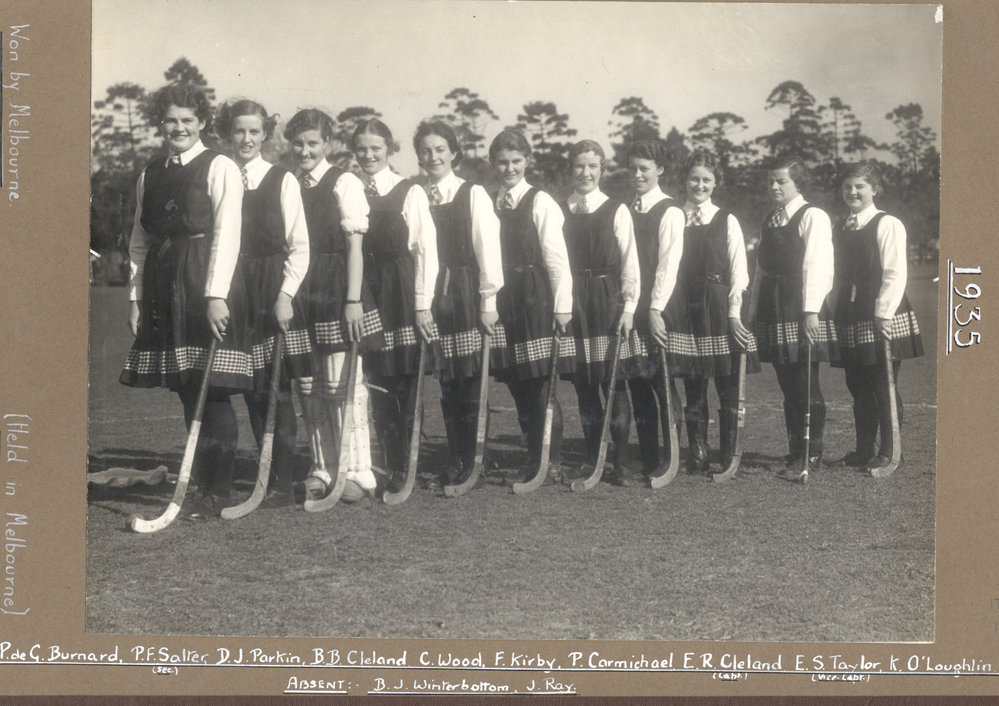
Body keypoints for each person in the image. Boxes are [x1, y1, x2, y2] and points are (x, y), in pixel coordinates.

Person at [119, 83, 250, 520]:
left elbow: (228, 234)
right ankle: (201, 480)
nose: (178, 127)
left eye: (187, 121)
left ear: (203, 124)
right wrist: (136, 298)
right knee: (185, 388)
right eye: (171, 120)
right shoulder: (150, 172)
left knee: (212, 392)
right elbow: (139, 240)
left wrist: (215, 296)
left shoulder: (221, 166)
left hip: (202, 281)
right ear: (161, 123)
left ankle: (218, 489)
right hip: (162, 283)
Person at [215, 99, 310, 508]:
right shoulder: (216, 175)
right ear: (226, 133)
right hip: (232, 288)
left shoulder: (280, 179)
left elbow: (301, 246)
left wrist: (285, 294)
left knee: (273, 389)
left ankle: (281, 483)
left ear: (265, 134)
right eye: (239, 131)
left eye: (254, 131)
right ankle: (263, 473)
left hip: (270, 288)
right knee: (246, 387)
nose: (246, 139)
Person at [287, 108, 383, 503]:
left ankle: (357, 471)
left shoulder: (344, 181)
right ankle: (322, 467)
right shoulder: (289, 183)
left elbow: (355, 247)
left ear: (326, 143)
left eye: (313, 142)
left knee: (341, 383)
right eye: (298, 143)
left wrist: (352, 299)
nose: (305, 149)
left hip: (336, 287)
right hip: (299, 288)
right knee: (308, 386)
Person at [414, 120, 503, 493]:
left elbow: (489, 250)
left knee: (469, 380)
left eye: (439, 150)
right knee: (447, 383)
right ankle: (455, 458)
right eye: (425, 151)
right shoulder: (416, 194)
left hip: (466, 293)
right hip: (435, 295)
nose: (432, 157)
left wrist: (488, 301)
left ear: (453, 153)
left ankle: (474, 462)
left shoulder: (473, 194)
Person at [353, 118, 438, 493]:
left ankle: (408, 465)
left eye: (376, 148)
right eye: (361, 149)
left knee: (405, 383)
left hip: (402, 293)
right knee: (377, 383)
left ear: (389, 149)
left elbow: (426, 252)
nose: (368, 155)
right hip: (368, 294)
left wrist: (422, 305)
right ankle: (386, 463)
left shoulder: (410, 191)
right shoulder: (351, 188)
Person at [488, 129, 573, 483]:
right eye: (503, 162)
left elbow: (556, 259)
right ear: (493, 164)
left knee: (540, 383)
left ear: (527, 161)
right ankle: (531, 455)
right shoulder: (492, 200)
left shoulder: (541, 201)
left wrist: (562, 306)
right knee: (517, 382)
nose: (509, 168)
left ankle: (549, 462)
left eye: (516, 161)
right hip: (505, 297)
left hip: (535, 296)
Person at [829, 161, 923, 473]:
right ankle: (863, 449)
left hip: (882, 312)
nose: (853, 192)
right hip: (850, 312)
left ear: (875, 189)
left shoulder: (888, 223)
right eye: (848, 187)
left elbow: (896, 273)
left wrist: (883, 313)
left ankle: (891, 451)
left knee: (883, 382)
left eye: (860, 186)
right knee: (857, 383)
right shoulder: (841, 227)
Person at [672, 149, 757, 474]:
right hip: (685, 307)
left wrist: (734, 313)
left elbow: (740, 271)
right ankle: (697, 451)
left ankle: (728, 454)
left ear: (716, 183)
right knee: (694, 384)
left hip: (718, 306)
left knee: (726, 384)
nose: (700, 185)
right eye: (694, 178)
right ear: (685, 180)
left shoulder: (727, 219)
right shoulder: (674, 216)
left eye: (706, 179)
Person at [562, 139, 640, 486]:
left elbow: (630, 265)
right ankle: (592, 455)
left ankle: (621, 462)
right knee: (584, 386)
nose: (585, 172)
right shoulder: (560, 209)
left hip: (608, 300)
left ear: (602, 170)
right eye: (579, 166)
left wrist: (628, 308)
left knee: (614, 384)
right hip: (575, 301)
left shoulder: (616, 210)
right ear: (571, 169)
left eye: (592, 166)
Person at [753, 156, 836, 474]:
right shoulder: (770, 219)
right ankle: (795, 449)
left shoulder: (812, 215)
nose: (773, 186)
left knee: (805, 381)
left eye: (781, 181)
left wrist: (811, 310)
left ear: (798, 183)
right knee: (787, 382)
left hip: (799, 306)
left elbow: (818, 264)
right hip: (771, 307)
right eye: (770, 181)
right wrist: (752, 310)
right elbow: (761, 268)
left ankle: (812, 452)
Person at [625, 140, 686, 480]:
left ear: (659, 170)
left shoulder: (670, 210)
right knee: (636, 381)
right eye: (632, 168)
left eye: (644, 169)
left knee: (662, 382)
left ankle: (671, 455)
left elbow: (668, 264)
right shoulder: (626, 208)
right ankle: (647, 456)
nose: (637, 175)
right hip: (632, 306)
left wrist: (655, 308)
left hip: (659, 306)